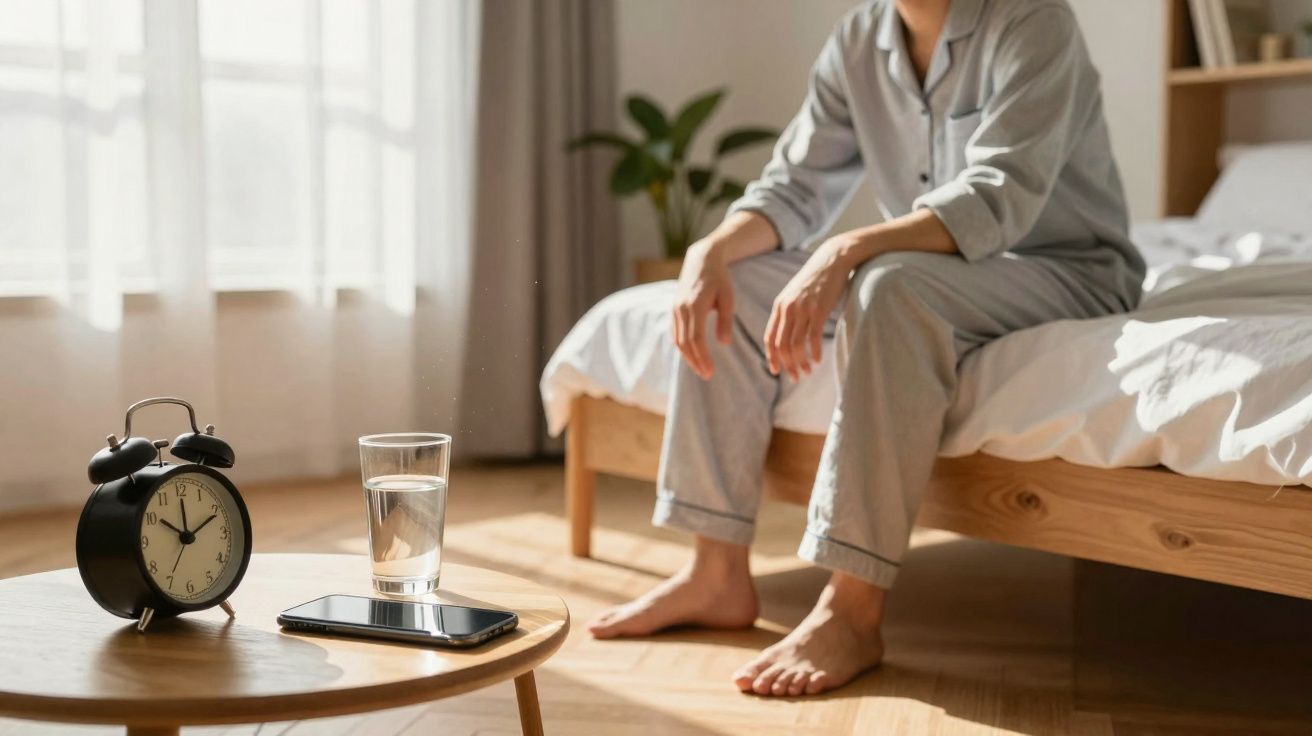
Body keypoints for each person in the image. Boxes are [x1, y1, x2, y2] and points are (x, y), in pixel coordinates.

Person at [588, 0, 1145, 698]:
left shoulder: (1033, 19)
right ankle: (716, 572)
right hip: (942, 271)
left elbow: (999, 196)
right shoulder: (859, 39)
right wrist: (712, 249)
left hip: (1065, 270)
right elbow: (794, 184)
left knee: (887, 287)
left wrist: (847, 250)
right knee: (741, 279)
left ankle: (851, 609)